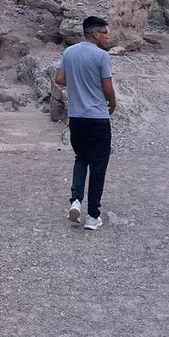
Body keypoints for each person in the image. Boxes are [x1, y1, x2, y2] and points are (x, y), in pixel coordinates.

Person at [55, 15, 116, 230]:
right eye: (105, 32)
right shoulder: (101, 56)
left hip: (76, 117)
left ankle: (76, 201)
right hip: (97, 118)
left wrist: (78, 79)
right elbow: (107, 87)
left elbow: (60, 79)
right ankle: (93, 216)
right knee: (98, 165)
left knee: (81, 158)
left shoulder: (69, 52)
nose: (107, 36)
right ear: (95, 34)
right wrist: (113, 102)